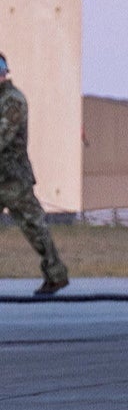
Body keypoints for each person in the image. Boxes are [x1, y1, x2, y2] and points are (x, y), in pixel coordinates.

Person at [0, 53, 69, 297]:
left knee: (34, 227)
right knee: (34, 226)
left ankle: (56, 275)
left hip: (13, 179)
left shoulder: (13, 101)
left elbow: (3, 136)